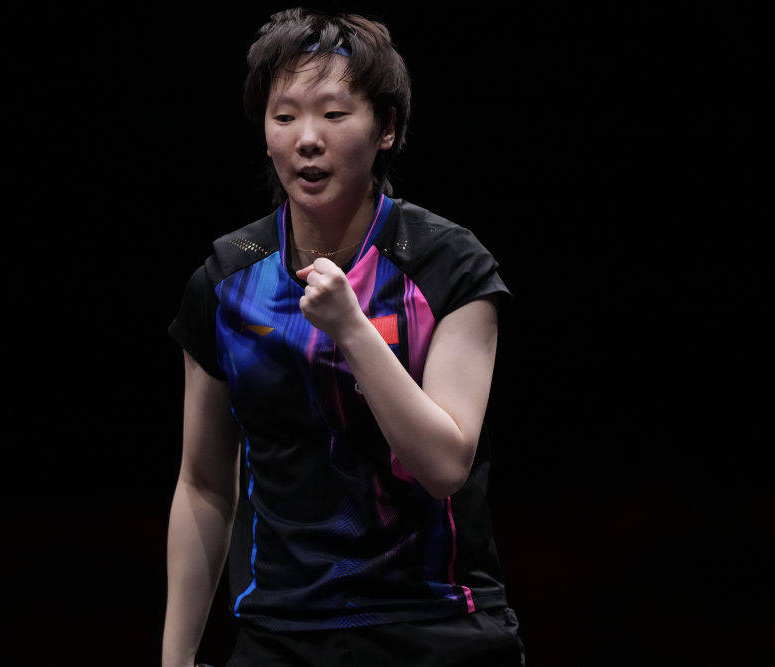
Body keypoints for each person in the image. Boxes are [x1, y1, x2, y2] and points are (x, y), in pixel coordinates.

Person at [163, 8, 524, 666]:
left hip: (438, 628)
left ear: (386, 128)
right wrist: (176, 658)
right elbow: (204, 482)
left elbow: (444, 466)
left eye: (333, 114)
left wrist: (351, 329)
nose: (307, 139)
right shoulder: (224, 282)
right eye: (284, 116)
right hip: (280, 635)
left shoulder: (448, 266)